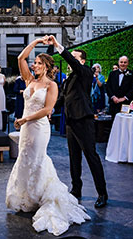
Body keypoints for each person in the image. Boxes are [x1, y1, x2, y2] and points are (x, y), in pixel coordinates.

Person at [6, 37, 90, 236]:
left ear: (45, 66)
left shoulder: (52, 86)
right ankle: (27, 198)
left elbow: (47, 109)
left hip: (39, 128)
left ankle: (41, 197)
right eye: (33, 62)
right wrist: (36, 41)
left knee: (37, 160)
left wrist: (25, 119)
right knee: (24, 159)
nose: (33, 65)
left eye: (37, 63)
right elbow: (20, 57)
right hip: (26, 128)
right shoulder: (28, 80)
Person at [47, 35, 108, 208]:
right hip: (71, 122)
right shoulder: (70, 78)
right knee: (74, 158)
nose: (71, 60)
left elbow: (73, 63)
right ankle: (76, 190)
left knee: (91, 156)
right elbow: (64, 97)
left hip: (84, 120)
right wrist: (52, 108)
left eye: (74, 58)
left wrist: (58, 45)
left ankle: (102, 193)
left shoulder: (85, 72)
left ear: (81, 61)